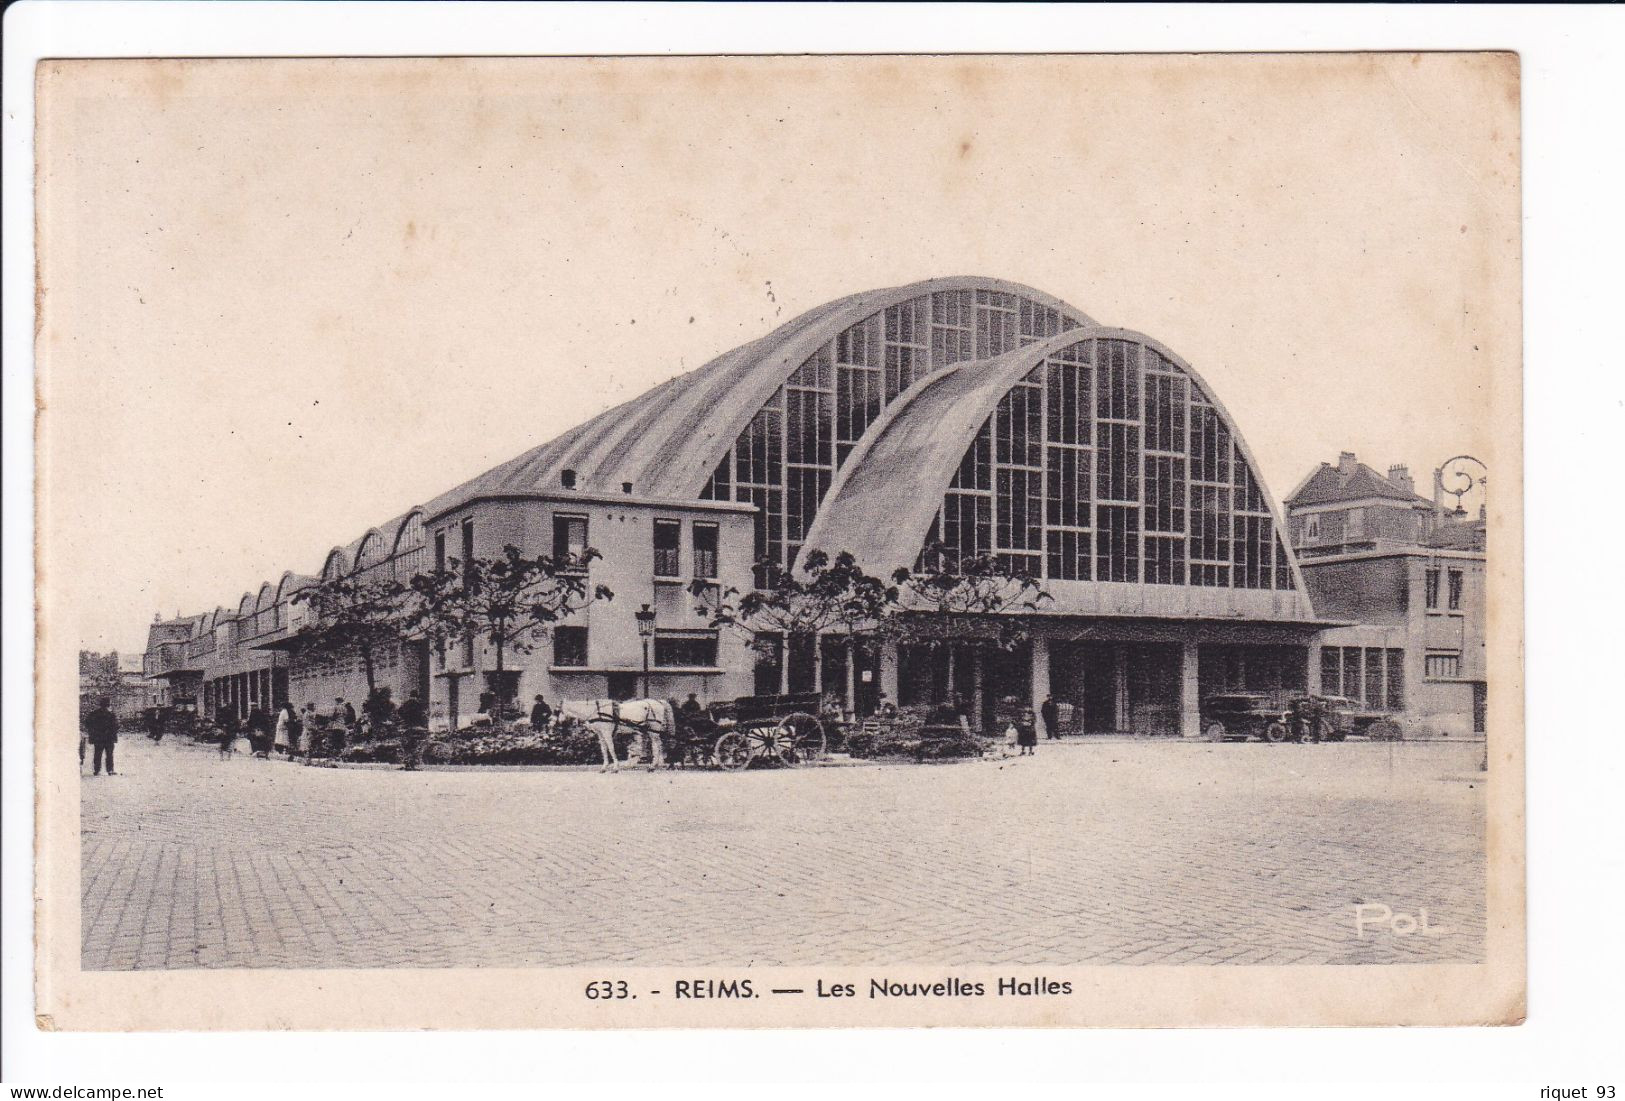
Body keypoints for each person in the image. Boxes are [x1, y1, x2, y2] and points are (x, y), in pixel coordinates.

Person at [83, 697, 119, 776]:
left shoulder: (94, 714)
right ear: (108, 705)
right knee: (109, 754)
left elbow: (87, 723)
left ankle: (97, 770)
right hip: (109, 738)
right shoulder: (111, 715)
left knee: (97, 754)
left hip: (98, 738)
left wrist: (93, 732)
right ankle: (110, 770)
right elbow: (116, 726)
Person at [398, 689, 429, 771]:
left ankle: (407, 764)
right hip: (417, 727)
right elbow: (423, 715)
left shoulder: (405, 704)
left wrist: (405, 719)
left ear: (410, 695)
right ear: (417, 696)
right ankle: (414, 764)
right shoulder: (419, 704)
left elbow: (399, 712)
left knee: (407, 746)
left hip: (407, 727)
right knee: (416, 746)